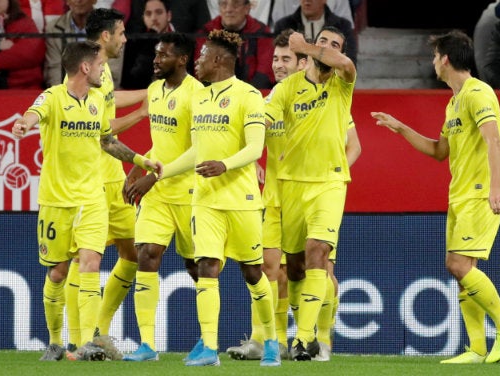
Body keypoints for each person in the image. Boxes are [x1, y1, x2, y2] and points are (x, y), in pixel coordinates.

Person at [371, 30, 500, 364]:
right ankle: (476, 348)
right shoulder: (454, 102)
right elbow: (439, 151)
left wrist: (497, 187)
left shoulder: (477, 93)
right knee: (462, 269)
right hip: (460, 194)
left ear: (446, 58)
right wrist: (400, 127)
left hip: (481, 193)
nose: (432, 62)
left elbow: (494, 141)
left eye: (434, 56)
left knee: (457, 264)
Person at [11, 40, 161, 362]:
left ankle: (88, 343)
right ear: (84, 68)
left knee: (92, 263)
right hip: (56, 201)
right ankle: (54, 342)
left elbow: (107, 141)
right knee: (58, 273)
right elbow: (33, 113)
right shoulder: (53, 97)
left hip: (91, 199)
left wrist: (141, 161)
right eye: (99, 66)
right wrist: (24, 124)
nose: (103, 71)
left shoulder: (96, 102)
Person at [144, 29, 281, 367]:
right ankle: (209, 347)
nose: (198, 62)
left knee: (253, 273)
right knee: (207, 268)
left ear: (219, 60)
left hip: (242, 199)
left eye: (203, 56)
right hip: (204, 201)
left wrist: (224, 165)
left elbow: (254, 148)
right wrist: (158, 174)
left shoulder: (248, 96)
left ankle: (273, 341)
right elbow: (195, 154)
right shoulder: (199, 98)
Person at [263, 25, 357, 361]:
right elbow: (265, 121)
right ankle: (305, 336)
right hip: (291, 186)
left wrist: (307, 47)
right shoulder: (288, 89)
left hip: (329, 184)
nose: (331, 49)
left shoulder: (342, 83)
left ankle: (306, 339)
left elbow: (343, 63)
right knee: (296, 267)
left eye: (337, 45)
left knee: (318, 252)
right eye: (325, 43)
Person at [62, 7, 149, 361]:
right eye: (122, 32)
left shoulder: (105, 73)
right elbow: (103, 130)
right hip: (91, 183)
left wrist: (148, 93)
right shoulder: (88, 72)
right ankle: (78, 339)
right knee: (83, 260)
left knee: (133, 254)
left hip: (113, 180)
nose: (126, 38)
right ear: (105, 37)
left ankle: (99, 330)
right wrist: (143, 113)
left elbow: (110, 104)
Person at [120, 32, 204, 362]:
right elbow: (164, 143)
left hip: (189, 193)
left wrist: (155, 176)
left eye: (163, 55)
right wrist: (139, 166)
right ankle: (146, 344)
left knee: (198, 267)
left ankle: (206, 338)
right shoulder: (155, 91)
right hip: (158, 193)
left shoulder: (198, 94)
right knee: (147, 255)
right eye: (156, 54)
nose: (156, 60)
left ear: (182, 60)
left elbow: (198, 150)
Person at [225, 28, 308, 362]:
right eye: (275, 58)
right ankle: (262, 339)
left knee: (296, 273)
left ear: (303, 62)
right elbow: (251, 135)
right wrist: (257, 161)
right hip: (273, 196)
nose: (278, 64)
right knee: (267, 266)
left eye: (286, 58)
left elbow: (348, 144)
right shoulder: (267, 99)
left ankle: (305, 339)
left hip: (305, 197)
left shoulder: (316, 99)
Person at [195, 0, 275, 89]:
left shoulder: (261, 32)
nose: (228, 9)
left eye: (236, 4)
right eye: (224, 4)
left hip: (252, 93)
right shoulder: (207, 32)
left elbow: (264, 72)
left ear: (247, 8)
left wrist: (247, 95)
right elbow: (201, 71)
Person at [44, 0, 123, 88]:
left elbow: (113, 73)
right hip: (66, 94)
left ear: (94, 0)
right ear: (66, 1)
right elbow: (55, 71)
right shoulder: (53, 28)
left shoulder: (112, 27)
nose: (78, 1)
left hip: (102, 93)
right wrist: (65, 97)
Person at [273, 0, 357, 65]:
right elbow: (275, 61)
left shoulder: (343, 26)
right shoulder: (283, 26)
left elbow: (350, 62)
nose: (307, 0)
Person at [120, 0, 176, 89]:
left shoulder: (183, 41)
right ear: (143, 18)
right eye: (148, 14)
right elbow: (128, 82)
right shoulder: (133, 42)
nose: (153, 18)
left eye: (159, 12)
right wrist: (151, 41)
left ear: (169, 16)